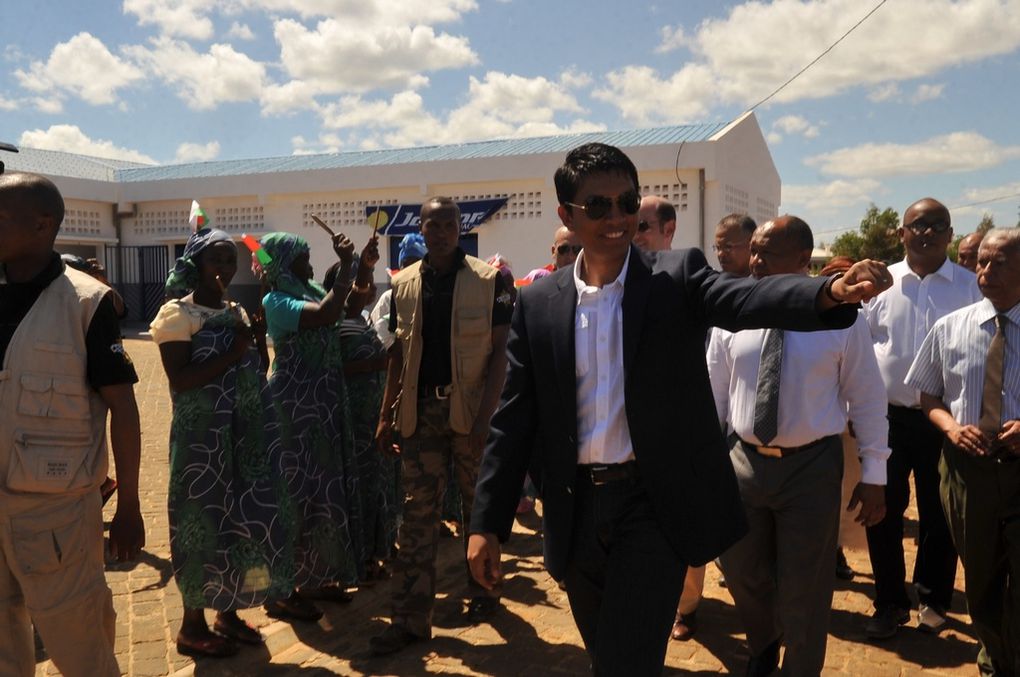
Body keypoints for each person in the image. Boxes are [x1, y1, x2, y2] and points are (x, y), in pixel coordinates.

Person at [466, 143, 893, 676]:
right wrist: (486, 521)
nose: (618, 218)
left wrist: (827, 293)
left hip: (652, 507)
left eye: (627, 203)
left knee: (626, 662)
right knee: (608, 655)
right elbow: (513, 418)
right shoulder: (538, 303)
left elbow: (743, 301)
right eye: (598, 207)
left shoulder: (673, 278)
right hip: (574, 514)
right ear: (567, 216)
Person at [710, 216, 889, 676]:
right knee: (741, 570)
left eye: (766, 252)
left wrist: (875, 475)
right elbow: (715, 394)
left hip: (810, 469)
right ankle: (765, 642)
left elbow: (867, 398)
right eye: (753, 250)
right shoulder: (733, 312)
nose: (754, 260)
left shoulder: (842, 320)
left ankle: (800, 667)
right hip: (742, 462)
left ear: (803, 260)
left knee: (805, 587)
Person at [0, 172, 144, 677]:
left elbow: (124, 410)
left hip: (58, 519)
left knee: (83, 651)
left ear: (42, 226)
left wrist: (128, 505)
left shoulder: (85, 303)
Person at [370, 196, 513, 655]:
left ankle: (485, 593)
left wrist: (485, 419)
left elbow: (499, 357)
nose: (441, 233)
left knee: (478, 510)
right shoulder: (404, 285)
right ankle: (410, 620)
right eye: (433, 226)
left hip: (470, 413)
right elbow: (398, 355)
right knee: (416, 519)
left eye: (449, 225)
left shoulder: (491, 282)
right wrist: (385, 414)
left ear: (459, 229)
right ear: (423, 229)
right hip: (420, 417)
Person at [150, 228, 295, 657]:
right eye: (217, 260)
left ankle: (227, 613)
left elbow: (256, 365)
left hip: (243, 437)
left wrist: (256, 342)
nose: (225, 269)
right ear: (195, 264)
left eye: (230, 261)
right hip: (201, 443)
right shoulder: (177, 316)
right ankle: (191, 626)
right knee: (201, 524)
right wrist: (233, 352)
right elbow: (181, 379)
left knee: (242, 520)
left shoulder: (237, 311)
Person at [861, 197, 981, 638]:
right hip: (885, 418)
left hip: (945, 420)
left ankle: (933, 599)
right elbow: (861, 347)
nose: (926, 232)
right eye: (917, 224)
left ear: (950, 234)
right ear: (901, 233)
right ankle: (889, 601)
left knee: (940, 513)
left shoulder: (971, 286)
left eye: (937, 225)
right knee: (883, 512)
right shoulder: (880, 283)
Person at [906, 228, 1020, 676]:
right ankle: (996, 659)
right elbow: (929, 397)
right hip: (967, 473)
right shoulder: (949, 327)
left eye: (999, 263)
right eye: (981, 262)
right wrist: (951, 428)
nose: (984, 272)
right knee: (982, 580)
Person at [260, 230, 372, 619]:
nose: (310, 263)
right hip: (293, 408)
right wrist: (343, 266)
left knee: (323, 492)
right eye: (304, 256)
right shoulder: (276, 301)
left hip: (321, 403)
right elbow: (326, 314)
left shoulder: (307, 288)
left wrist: (363, 266)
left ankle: (313, 578)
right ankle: (279, 590)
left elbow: (350, 307)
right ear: (286, 261)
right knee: (293, 497)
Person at [671, 212, 759, 642]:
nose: (723, 253)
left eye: (732, 245)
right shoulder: (696, 289)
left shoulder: (764, 295)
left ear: (754, 246)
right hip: (703, 426)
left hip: (752, 433)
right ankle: (685, 608)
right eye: (719, 246)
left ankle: (761, 614)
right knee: (696, 521)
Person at [819, 255, 865, 582]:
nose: (839, 282)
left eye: (842, 275)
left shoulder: (860, 319)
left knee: (841, 494)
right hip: (820, 426)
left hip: (849, 424)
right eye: (832, 276)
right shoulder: (810, 317)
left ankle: (836, 554)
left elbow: (864, 378)